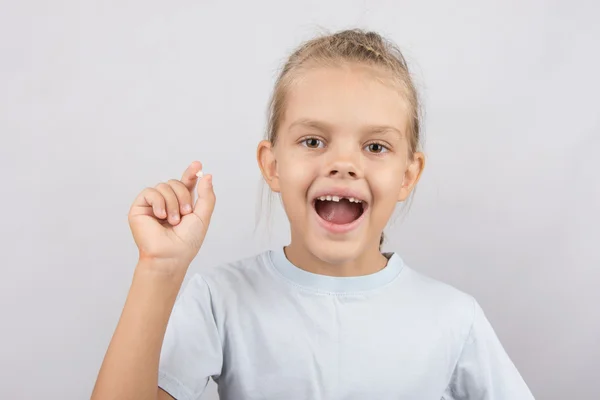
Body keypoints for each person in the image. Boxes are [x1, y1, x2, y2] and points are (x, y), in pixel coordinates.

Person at [91, 29, 534, 400]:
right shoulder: (220, 299)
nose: (343, 163)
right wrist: (159, 269)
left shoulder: (453, 318)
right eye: (313, 141)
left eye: (375, 146)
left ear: (407, 174)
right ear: (273, 165)